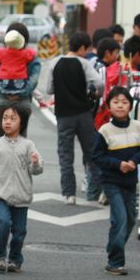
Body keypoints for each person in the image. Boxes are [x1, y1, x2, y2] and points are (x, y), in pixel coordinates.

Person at [91, 86, 140, 276]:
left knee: (131, 219)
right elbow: (97, 156)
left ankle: (113, 247)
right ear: (109, 105)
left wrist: (134, 161)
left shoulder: (138, 127)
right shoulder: (105, 130)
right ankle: (115, 261)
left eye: (124, 102)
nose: (120, 106)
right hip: (111, 181)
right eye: (116, 102)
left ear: (131, 106)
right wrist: (118, 164)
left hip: (130, 181)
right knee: (120, 219)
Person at [47, 31, 103, 205]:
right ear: (81, 48)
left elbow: (49, 89)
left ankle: (68, 194)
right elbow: (99, 83)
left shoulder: (54, 63)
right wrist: (93, 92)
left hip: (63, 116)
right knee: (92, 153)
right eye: (87, 48)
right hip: (83, 114)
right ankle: (95, 192)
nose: (88, 52)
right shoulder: (84, 64)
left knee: (65, 155)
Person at [0, 103, 43, 274]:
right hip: (2, 193)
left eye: (13, 119)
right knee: (3, 222)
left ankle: (15, 259)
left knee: (19, 232)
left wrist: (35, 163)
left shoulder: (28, 145)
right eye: (5, 118)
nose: (8, 122)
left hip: (22, 195)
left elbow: (37, 170)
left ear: (22, 123)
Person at [0, 21, 41, 130]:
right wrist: (22, 92)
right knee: (21, 140)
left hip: (2, 101)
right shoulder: (29, 55)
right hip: (23, 102)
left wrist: (3, 90)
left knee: (1, 139)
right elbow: (34, 79)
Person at [0, 29, 38, 94]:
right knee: (35, 92)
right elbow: (32, 53)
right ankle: (41, 101)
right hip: (20, 80)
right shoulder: (24, 53)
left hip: (4, 80)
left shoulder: (2, 53)